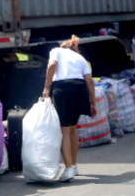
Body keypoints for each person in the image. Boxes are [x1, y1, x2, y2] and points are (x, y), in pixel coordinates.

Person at [41, 35, 98, 182]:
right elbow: (90, 81)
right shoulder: (80, 58)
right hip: (80, 91)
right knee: (73, 128)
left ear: (63, 45)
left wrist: (47, 87)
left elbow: (52, 65)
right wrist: (93, 103)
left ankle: (68, 169)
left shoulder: (56, 51)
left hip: (63, 90)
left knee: (64, 131)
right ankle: (74, 165)